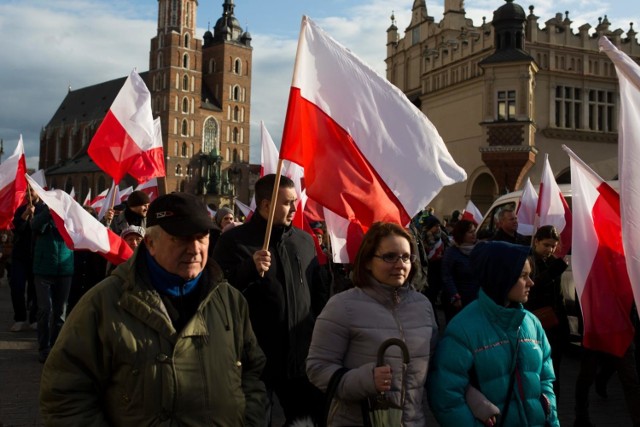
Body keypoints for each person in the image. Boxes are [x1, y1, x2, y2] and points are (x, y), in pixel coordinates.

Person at [40, 192, 266, 425]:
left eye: (202, 237)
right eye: (180, 238)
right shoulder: (104, 303)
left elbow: (253, 373)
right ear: (150, 243)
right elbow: (64, 393)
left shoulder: (230, 301)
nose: (194, 249)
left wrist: (249, 420)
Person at [213, 174, 329, 426]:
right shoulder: (233, 241)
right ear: (265, 205)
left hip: (300, 361)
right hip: (254, 362)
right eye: (288, 202)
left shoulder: (304, 241)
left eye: (295, 201)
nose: (295, 208)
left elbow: (318, 292)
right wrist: (248, 269)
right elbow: (216, 294)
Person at [306, 222, 438, 426]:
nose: (400, 264)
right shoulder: (342, 306)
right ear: (368, 261)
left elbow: (435, 366)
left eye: (406, 257)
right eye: (389, 257)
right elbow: (317, 367)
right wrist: (365, 380)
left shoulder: (423, 306)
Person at [428, 241, 559, 427]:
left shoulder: (531, 322)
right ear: (501, 277)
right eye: (523, 276)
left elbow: (546, 380)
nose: (531, 282)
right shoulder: (463, 329)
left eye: (530, 275)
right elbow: (446, 396)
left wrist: (549, 416)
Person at [525, 225, 569, 396]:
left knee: (553, 369)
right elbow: (532, 287)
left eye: (553, 246)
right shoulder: (528, 261)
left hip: (553, 325)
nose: (549, 249)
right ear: (536, 241)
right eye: (546, 245)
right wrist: (551, 273)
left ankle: (552, 404)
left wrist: (564, 324)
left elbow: (559, 297)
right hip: (534, 324)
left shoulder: (552, 262)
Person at [32, 204, 74, 363]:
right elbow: (35, 226)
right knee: (45, 309)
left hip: (65, 269)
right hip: (43, 269)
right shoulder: (43, 211)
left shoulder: (70, 214)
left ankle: (56, 347)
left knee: (60, 312)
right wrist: (49, 211)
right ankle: (44, 347)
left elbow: (84, 228)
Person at [8, 186, 44, 331]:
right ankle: (19, 318)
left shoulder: (43, 210)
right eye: (28, 191)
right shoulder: (21, 209)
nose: (29, 194)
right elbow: (16, 229)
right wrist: (25, 216)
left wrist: (35, 218)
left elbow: (41, 230)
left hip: (37, 256)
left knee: (35, 290)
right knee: (16, 287)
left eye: (32, 191)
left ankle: (34, 318)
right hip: (19, 256)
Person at [441, 219, 479, 322]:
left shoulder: (478, 250)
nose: (474, 234)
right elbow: (447, 276)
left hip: (476, 299)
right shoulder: (451, 252)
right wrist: (455, 296)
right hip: (460, 301)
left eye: (474, 231)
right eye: (470, 232)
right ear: (462, 234)